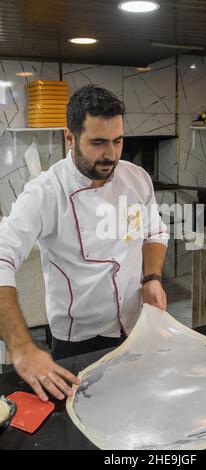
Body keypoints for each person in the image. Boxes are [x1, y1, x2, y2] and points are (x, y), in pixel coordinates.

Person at [0, 85, 168, 402]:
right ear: (70, 138)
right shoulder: (44, 193)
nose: (111, 154)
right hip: (79, 340)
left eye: (118, 141)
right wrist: (21, 347)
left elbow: (154, 232)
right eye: (98, 143)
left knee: (136, 409)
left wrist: (151, 278)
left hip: (135, 327)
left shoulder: (137, 179)